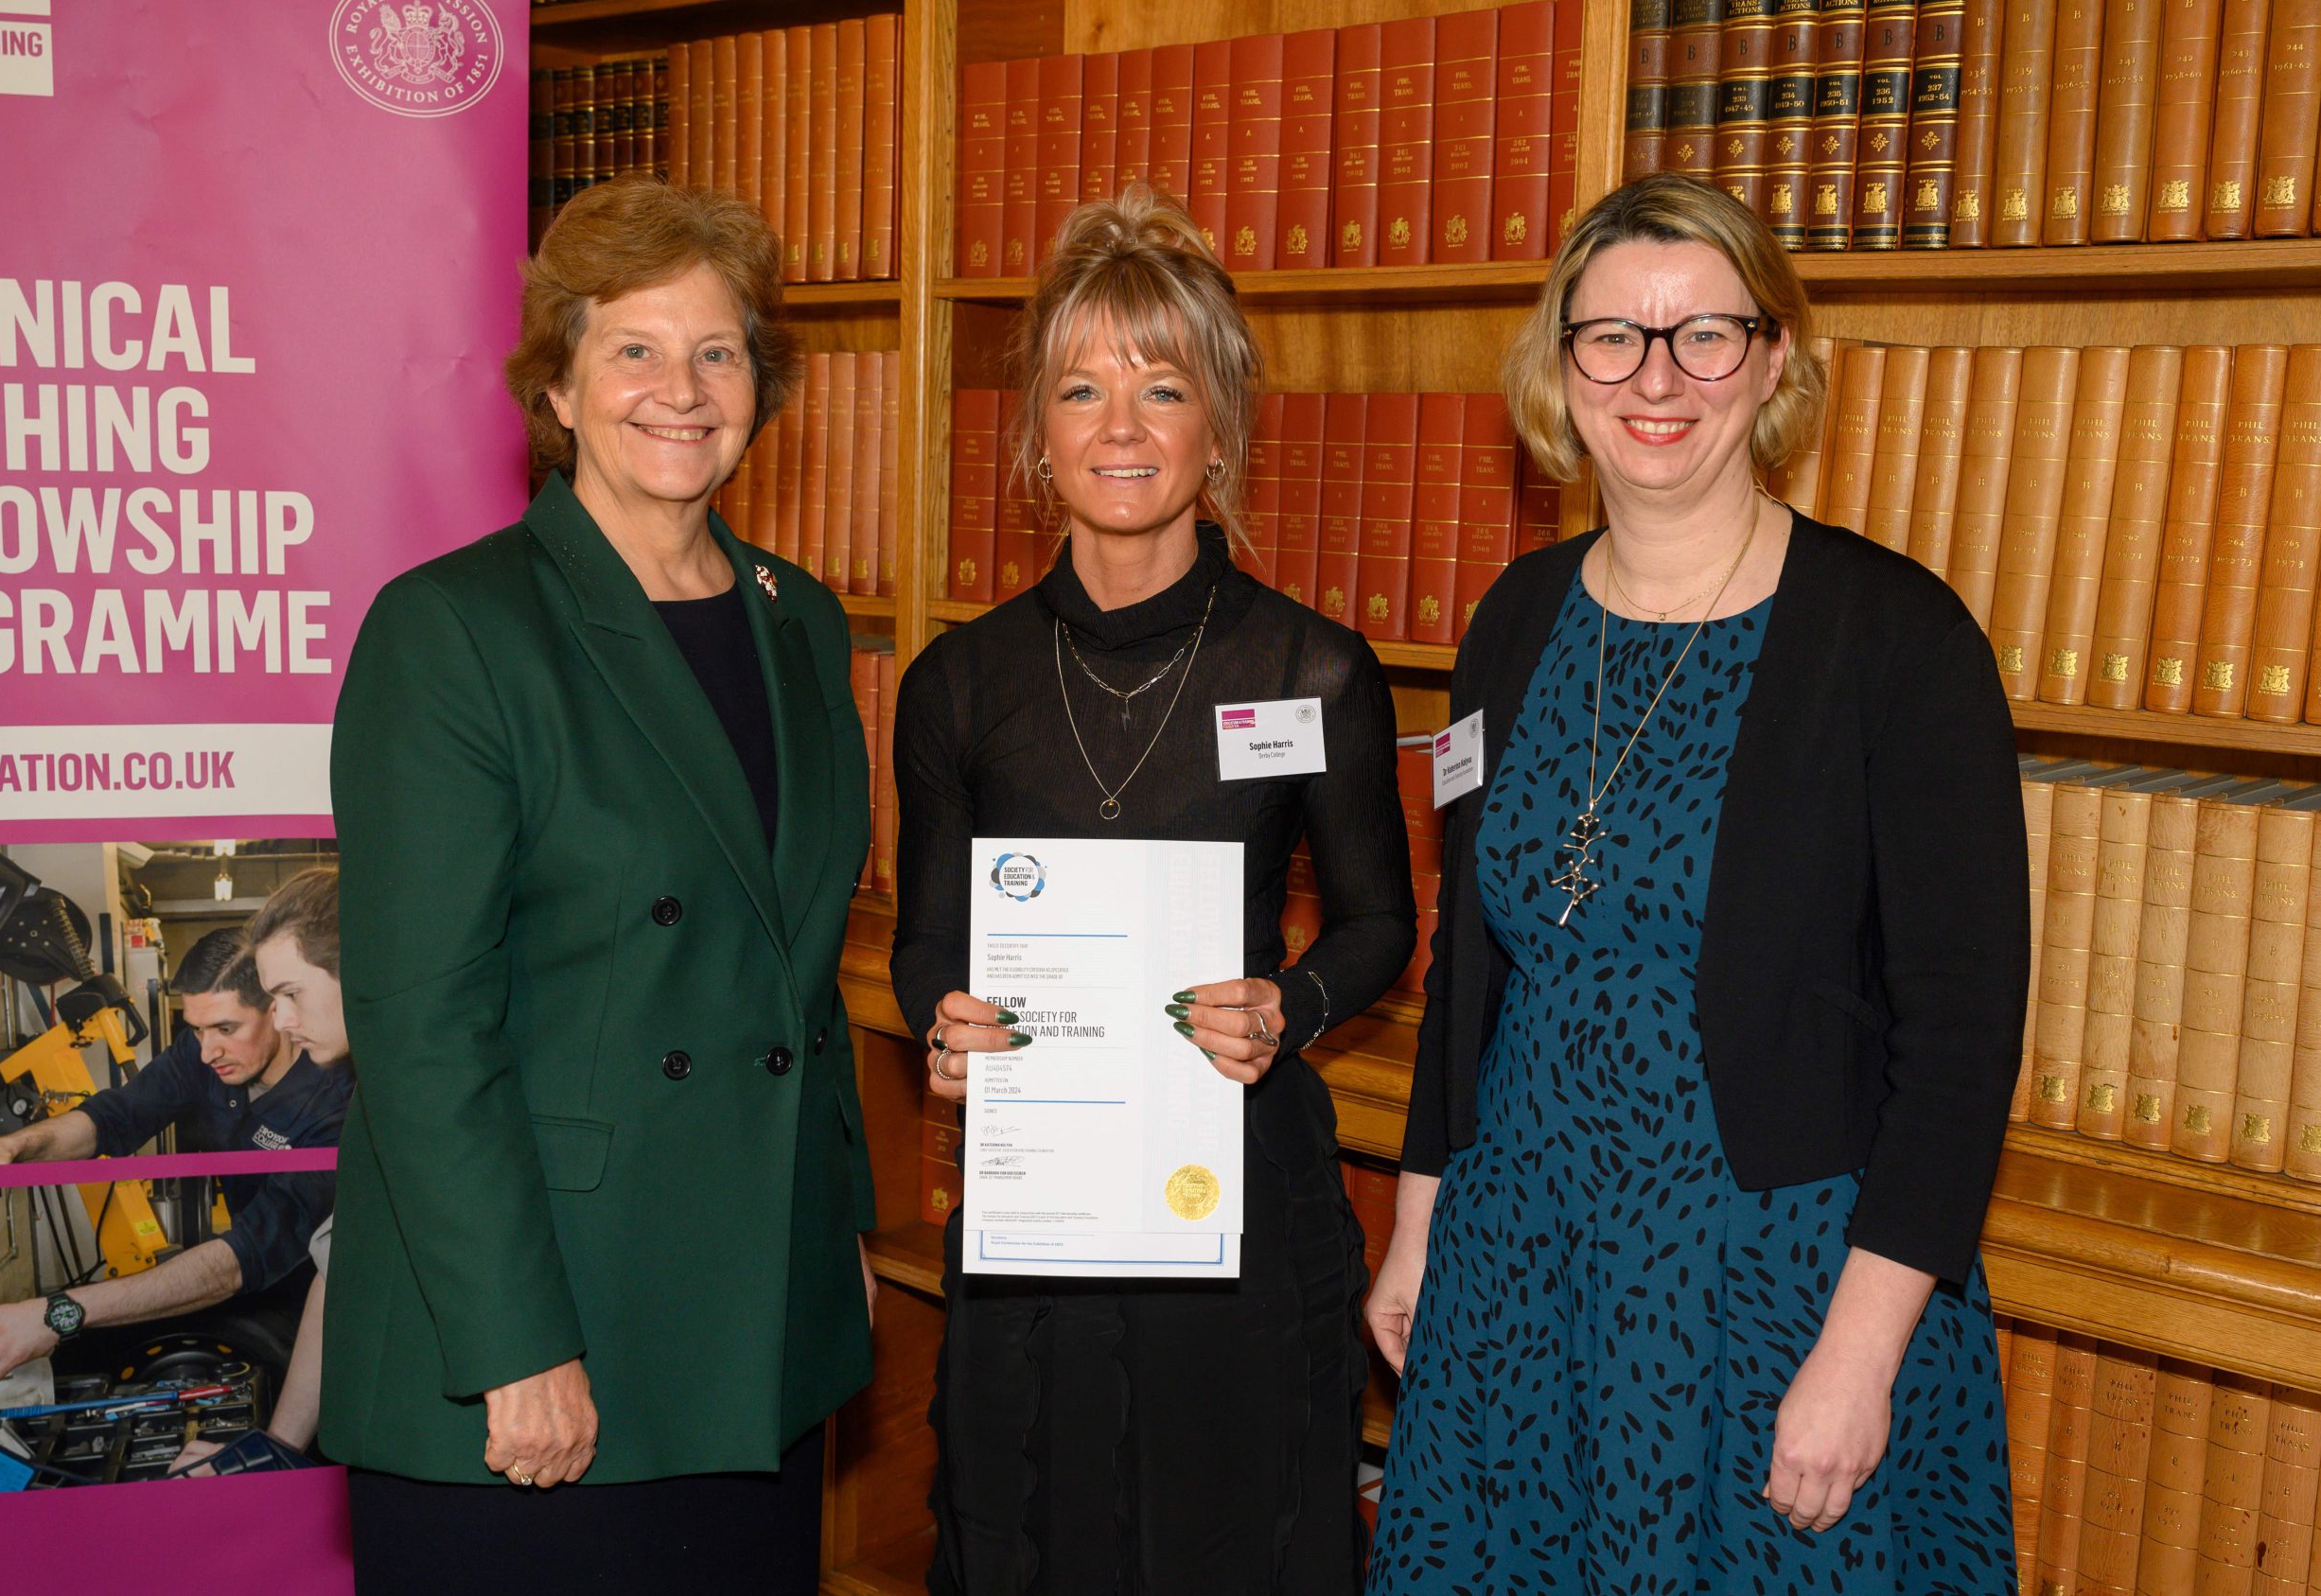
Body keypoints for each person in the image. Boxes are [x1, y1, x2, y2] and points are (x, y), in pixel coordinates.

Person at [1363, 172, 2026, 1592]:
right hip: (1522, 1265)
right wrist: (1419, 1225)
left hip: (1771, 1284)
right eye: (1613, 337)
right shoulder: (1514, 619)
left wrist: (1861, 1352)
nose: (1656, 378)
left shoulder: (1898, 638)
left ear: (1773, 356)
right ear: (1562, 364)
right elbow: (1469, 967)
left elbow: (1963, 1042)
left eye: (1703, 334)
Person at [320, 175, 878, 1595]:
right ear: (558, 387)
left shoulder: (800, 618)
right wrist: (515, 1339)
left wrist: (832, 1237)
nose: (678, 389)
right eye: (632, 347)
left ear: (761, 382)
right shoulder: (455, 629)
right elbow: (420, 1026)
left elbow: (792, 973)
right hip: (540, 1335)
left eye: (717, 350)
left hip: (747, 1319)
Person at [890, 186, 1416, 1594]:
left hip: (1239, 1204)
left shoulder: (1314, 669)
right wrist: (941, 1024)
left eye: (1162, 385)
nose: (1120, 426)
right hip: (1041, 1212)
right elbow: (929, 931)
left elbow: (1381, 920)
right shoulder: (959, 682)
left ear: (1219, 426)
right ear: (1034, 433)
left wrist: (1293, 1002)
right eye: (1081, 387)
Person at [0, 927, 348, 1380]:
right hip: (242, 1277)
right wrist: (12, 1148)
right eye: (197, 1029)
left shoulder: (334, 1104)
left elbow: (243, 1259)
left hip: (312, 1302)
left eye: (227, 1028)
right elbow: (115, 1117)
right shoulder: (206, 1051)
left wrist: (57, 1313)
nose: (207, 1051)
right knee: (81, 1355)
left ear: (278, 1010)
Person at [174, 868, 348, 1473]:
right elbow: (340, 1262)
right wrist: (278, 1445)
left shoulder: (351, 1099)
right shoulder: (377, 1090)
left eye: (292, 995)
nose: (284, 1020)